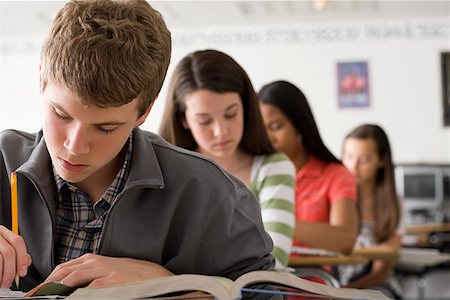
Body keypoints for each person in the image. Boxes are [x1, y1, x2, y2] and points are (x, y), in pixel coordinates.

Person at [0, 0, 274, 292]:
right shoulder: (3, 158)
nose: (75, 146)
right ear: (41, 79)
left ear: (144, 112)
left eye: (106, 127)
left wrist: (172, 286)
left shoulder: (212, 194)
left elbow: (266, 293)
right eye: (61, 114)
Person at [159, 49, 296, 270]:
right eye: (204, 121)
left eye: (231, 114)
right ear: (183, 119)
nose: (221, 132)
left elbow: (273, 263)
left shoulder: (274, 167)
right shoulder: (163, 170)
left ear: (245, 106)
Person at [257, 80, 358, 254]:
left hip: (312, 277)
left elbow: (345, 240)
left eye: (276, 127)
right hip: (261, 275)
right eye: (261, 129)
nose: (268, 138)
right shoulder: (255, 172)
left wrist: (280, 221)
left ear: (300, 125)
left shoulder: (335, 175)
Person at [339, 124, 402, 297]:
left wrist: (342, 292)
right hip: (333, 283)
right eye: (348, 157)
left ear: (381, 160)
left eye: (364, 159)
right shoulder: (337, 200)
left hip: (375, 287)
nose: (353, 166)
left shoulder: (394, 206)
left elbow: (380, 273)